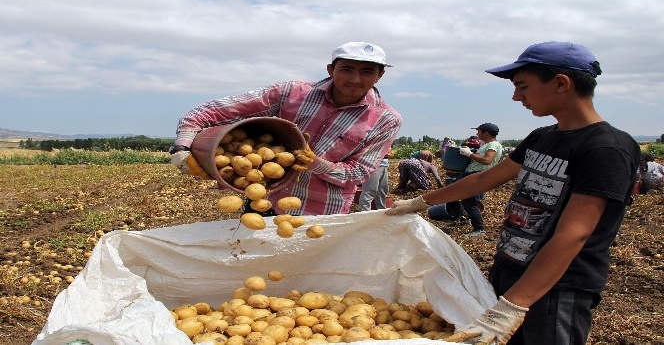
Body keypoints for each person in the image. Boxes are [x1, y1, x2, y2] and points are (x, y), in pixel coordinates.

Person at [386, 41, 640, 345]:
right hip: (510, 269)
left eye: (523, 86)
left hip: (556, 287)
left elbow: (574, 234)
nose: (516, 96)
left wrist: (512, 306)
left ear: (561, 83)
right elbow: (484, 181)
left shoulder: (605, 148)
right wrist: (420, 202)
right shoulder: (542, 137)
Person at [170, 41, 402, 215]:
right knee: (256, 270)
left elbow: (359, 172)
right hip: (264, 201)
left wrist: (316, 164)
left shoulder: (386, 119)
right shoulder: (291, 93)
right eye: (347, 69)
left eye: (367, 71)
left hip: (322, 213)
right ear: (331, 70)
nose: (356, 79)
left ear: (380, 75)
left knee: (309, 277)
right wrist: (182, 147)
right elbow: (212, 110)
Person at [457, 123, 503, 237]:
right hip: (473, 174)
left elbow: (487, 160)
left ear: (486, 133)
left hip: (479, 175)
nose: (477, 133)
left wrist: (470, 154)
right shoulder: (486, 144)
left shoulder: (493, 145)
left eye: (479, 131)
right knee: (467, 200)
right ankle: (472, 221)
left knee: (469, 201)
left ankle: (479, 229)